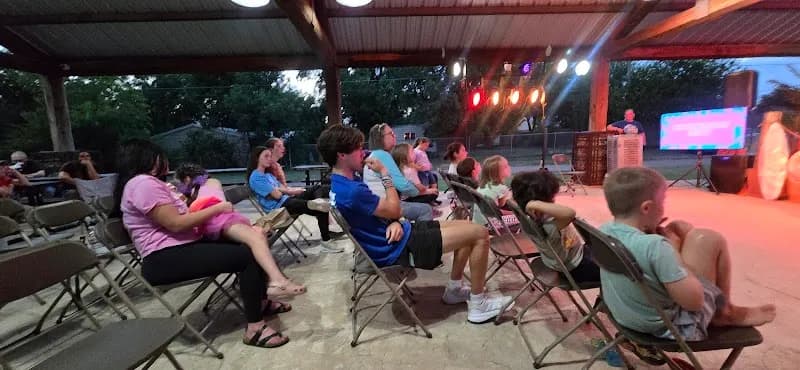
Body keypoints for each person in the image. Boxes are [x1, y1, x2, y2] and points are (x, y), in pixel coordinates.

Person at [318, 125, 513, 324]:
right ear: (342, 155)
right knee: (480, 233)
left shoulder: (338, 183)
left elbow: (377, 215)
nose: (363, 153)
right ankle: (479, 305)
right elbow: (395, 209)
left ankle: (454, 289)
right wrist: (385, 174)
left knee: (465, 225)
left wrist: (393, 221)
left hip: (395, 233)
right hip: (397, 247)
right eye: (358, 149)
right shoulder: (353, 191)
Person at [113, 139, 290, 349]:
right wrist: (217, 208)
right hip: (164, 258)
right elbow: (176, 224)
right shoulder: (142, 183)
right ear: (148, 159)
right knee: (245, 256)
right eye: (160, 156)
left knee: (251, 240)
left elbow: (179, 217)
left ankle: (260, 301)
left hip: (179, 248)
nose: (165, 161)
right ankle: (255, 329)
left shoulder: (147, 183)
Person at [600, 167, 775, 343]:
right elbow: (694, 302)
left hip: (626, 316)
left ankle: (723, 308)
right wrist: (673, 250)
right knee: (710, 239)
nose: (663, 209)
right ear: (646, 208)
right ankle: (724, 312)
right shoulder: (655, 247)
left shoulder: (604, 232)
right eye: (662, 202)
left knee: (683, 230)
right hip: (674, 327)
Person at [174, 163, 305, 296]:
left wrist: (185, 197)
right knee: (255, 237)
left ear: (187, 178)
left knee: (259, 232)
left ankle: (272, 280)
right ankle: (278, 280)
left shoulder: (210, 182)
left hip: (221, 219)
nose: (180, 186)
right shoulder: (189, 194)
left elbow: (209, 203)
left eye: (181, 182)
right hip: (215, 224)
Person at [247, 146, 342, 253]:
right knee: (321, 206)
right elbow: (278, 195)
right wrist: (281, 190)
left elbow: (283, 189)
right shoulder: (256, 177)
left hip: (288, 201)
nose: (269, 158)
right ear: (256, 158)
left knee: (316, 189)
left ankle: (317, 202)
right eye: (266, 156)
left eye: (270, 156)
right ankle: (325, 236)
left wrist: (288, 190)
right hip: (278, 210)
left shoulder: (268, 175)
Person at [510, 171, 599, 282]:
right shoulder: (549, 222)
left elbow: (510, 200)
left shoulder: (525, 214)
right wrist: (534, 203)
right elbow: (570, 213)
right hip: (575, 267)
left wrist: (532, 203)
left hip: (556, 261)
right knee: (619, 270)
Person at [363, 123, 438, 205]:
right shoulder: (382, 155)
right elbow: (404, 186)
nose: (394, 136)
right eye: (391, 134)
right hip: (384, 205)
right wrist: (425, 192)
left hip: (378, 203)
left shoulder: (377, 154)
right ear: (380, 138)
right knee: (425, 210)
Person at [473, 155, 518, 227]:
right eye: (506, 167)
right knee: (524, 219)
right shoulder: (500, 188)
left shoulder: (483, 186)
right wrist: (517, 214)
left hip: (479, 222)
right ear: (496, 173)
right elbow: (500, 208)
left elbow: (498, 205)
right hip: (491, 224)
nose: (509, 167)